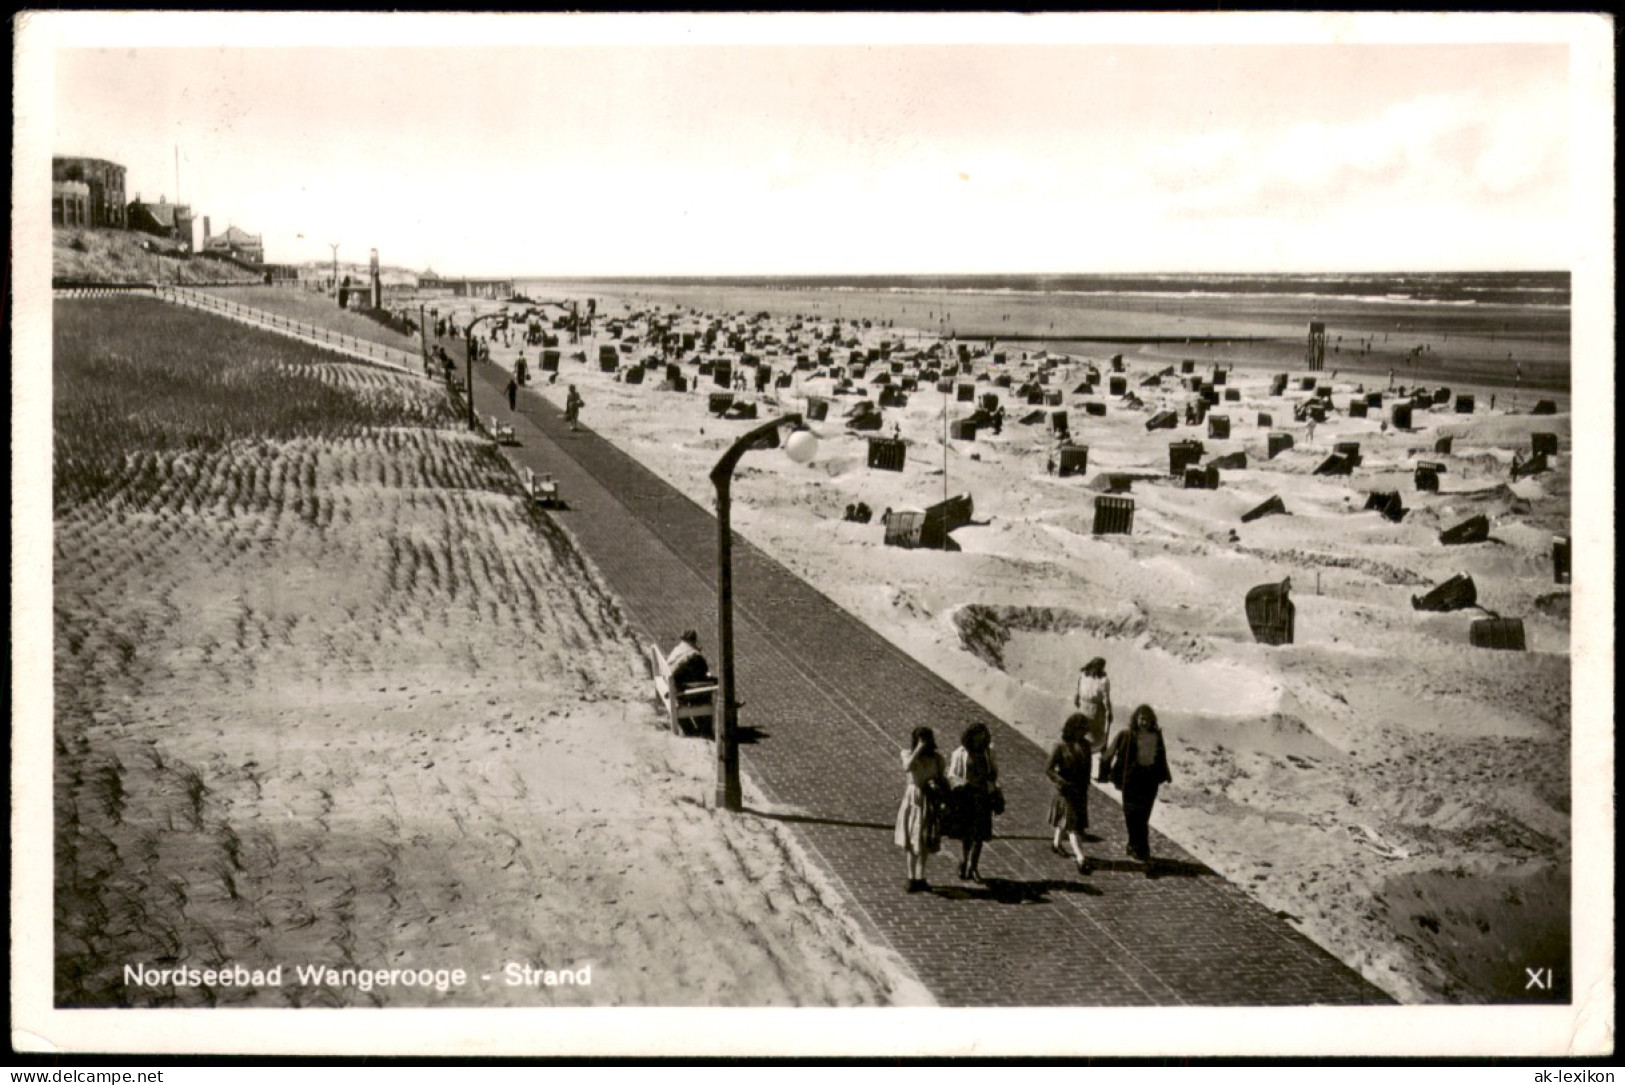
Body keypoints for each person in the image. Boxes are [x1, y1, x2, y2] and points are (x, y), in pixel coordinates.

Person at [1106, 705, 1174, 871]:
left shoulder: (1156, 735)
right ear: (1136, 719)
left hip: (1149, 780)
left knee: (1142, 817)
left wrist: (1165, 774)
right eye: (1141, 719)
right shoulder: (1129, 735)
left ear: (1152, 720)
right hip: (1131, 780)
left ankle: (1142, 851)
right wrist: (1108, 773)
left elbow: (1161, 755)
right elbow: (1111, 753)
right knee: (1130, 815)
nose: (1144, 722)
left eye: (1147, 719)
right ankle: (1135, 846)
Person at [895, 726, 947, 893]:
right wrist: (918, 749)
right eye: (921, 739)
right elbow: (907, 767)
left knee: (924, 841)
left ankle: (921, 877)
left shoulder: (938, 759)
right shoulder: (908, 754)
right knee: (912, 841)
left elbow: (941, 778)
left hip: (929, 801)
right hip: (914, 801)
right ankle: (910, 877)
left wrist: (943, 796)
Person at [946, 722, 999, 883]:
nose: (981, 739)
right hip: (966, 797)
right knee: (967, 834)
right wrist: (962, 784)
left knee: (980, 835)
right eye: (978, 736)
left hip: (983, 797)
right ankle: (964, 860)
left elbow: (994, 772)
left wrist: (992, 786)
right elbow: (952, 775)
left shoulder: (989, 753)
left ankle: (973, 866)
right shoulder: (959, 753)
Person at [1046, 713, 1094, 874]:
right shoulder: (1060, 745)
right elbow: (1049, 769)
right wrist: (1061, 782)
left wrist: (1086, 785)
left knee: (1068, 820)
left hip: (1080, 790)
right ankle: (1081, 858)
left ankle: (1056, 844)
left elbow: (1088, 768)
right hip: (1065, 791)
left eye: (1085, 730)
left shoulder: (1086, 745)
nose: (1083, 733)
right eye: (1081, 730)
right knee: (1074, 826)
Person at [1073, 657, 1114, 781]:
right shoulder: (1085, 676)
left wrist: (1108, 712)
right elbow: (1078, 691)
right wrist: (1077, 699)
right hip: (1087, 710)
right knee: (1086, 738)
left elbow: (1106, 698)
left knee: (1095, 738)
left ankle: (1099, 772)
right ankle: (1083, 768)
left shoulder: (1102, 680)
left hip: (1094, 711)